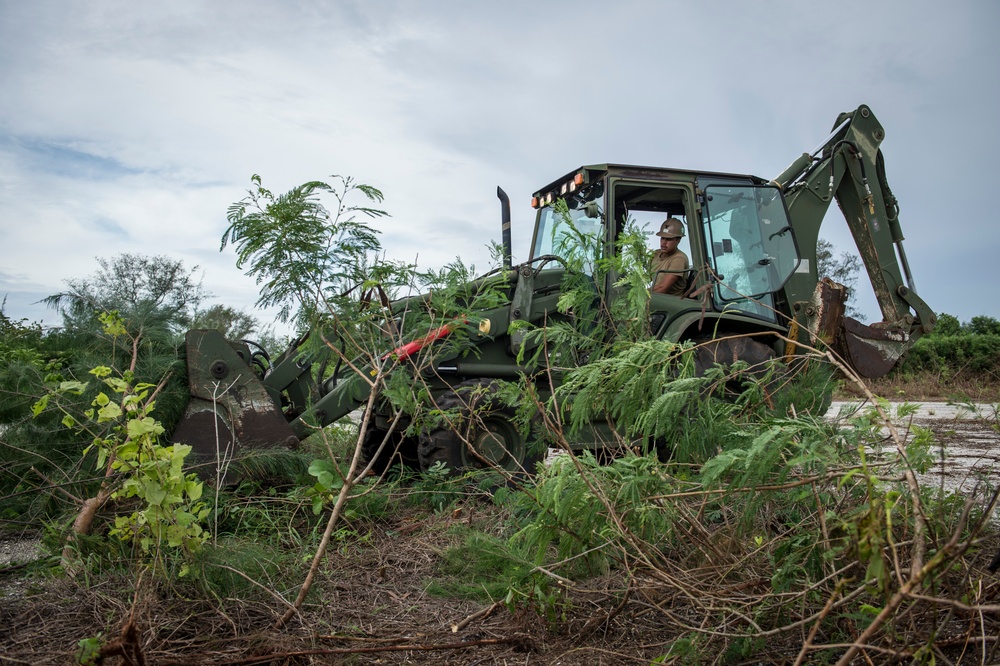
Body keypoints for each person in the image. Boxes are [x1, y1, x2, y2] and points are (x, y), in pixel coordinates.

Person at [651, 218, 689, 296]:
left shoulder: (679, 259)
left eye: (668, 239)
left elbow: (662, 288)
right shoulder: (655, 254)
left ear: (678, 240)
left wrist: (638, 294)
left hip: (670, 303)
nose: (663, 243)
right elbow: (644, 277)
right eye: (662, 238)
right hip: (655, 298)